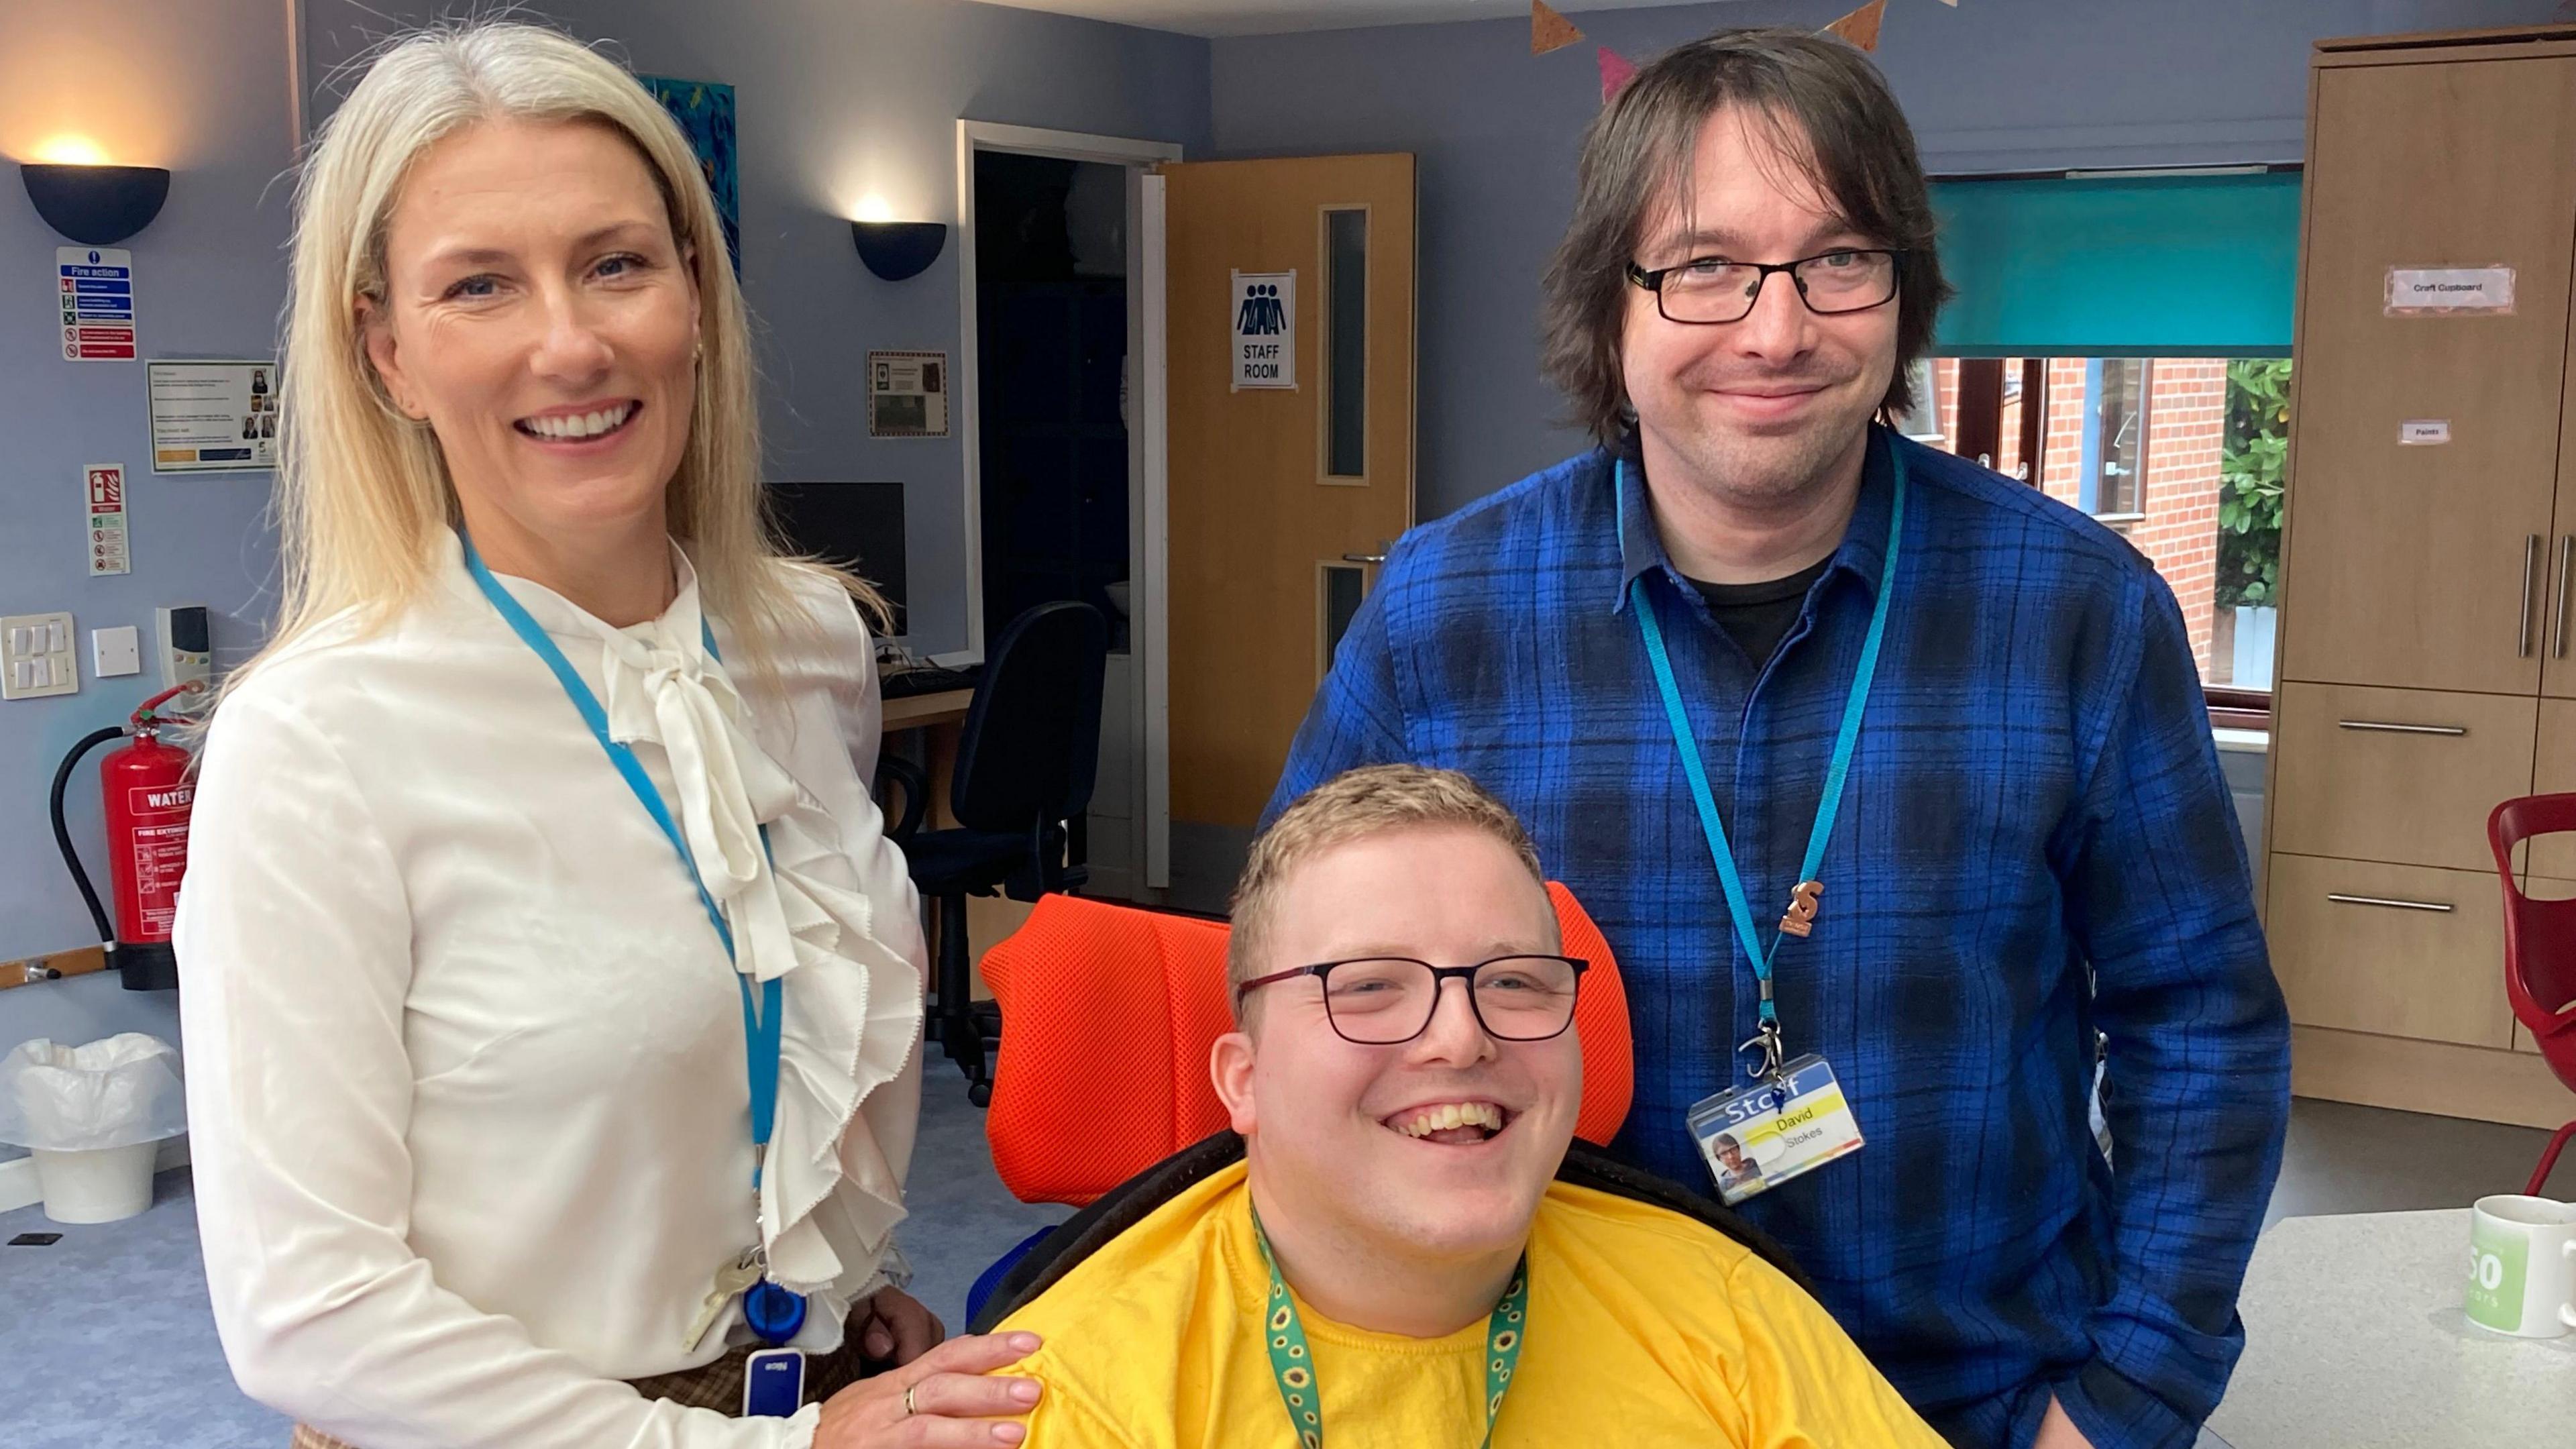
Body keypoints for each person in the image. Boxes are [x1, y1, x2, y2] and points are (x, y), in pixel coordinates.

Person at [1269, 28, 2290, 1449]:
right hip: (1554, 1396)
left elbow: (2204, 1031)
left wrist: (2124, 1401)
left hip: (1976, 1401)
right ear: (1609, 308)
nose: (1776, 328)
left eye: (1839, 259)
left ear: (1902, 294)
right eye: (1705, 267)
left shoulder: (2076, 608)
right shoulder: (1445, 612)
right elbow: (1300, 1006)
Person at [176, 22, 1038, 1448]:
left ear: (696, 295)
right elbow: (305, 1311)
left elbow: (777, 1035)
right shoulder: (317, 738)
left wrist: (840, 1288)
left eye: (616, 262)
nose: (570, 342)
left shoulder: (807, 646)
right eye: (480, 286)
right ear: (387, 351)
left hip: (811, 1387)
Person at [982, 764, 1945, 1447]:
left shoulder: (1729, 1312)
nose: (1459, 1037)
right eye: (1367, 986)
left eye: (1517, 982)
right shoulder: (1070, 1398)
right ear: (1242, 1080)